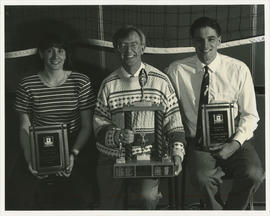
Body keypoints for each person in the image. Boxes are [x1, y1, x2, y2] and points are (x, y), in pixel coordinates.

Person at [167, 16, 264, 210]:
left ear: (219, 40)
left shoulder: (238, 69)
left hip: (235, 139)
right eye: (199, 40)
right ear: (192, 42)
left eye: (211, 39)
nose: (205, 45)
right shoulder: (176, 71)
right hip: (198, 142)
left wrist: (234, 144)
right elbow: (168, 108)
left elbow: (250, 115)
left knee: (254, 174)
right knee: (202, 179)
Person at [93, 25, 186, 210]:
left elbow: (175, 123)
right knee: (109, 203)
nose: (129, 50)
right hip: (114, 157)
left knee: (148, 197)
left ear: (143, 48)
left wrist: (177, 153)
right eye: (123, 45)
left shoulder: (160, 80)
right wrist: (117, 135)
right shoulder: (109, 84)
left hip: (149, 155)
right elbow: (99, 124)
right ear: (116, 48)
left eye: (134, 45)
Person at [13, 34, 96, 209]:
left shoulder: (80, 81)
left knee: (84, 197)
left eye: (60, 51)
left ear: (66, 54)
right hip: (38, 144)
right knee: (19, 197)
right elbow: (24, 126)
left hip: (74, 143)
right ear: (41, 54)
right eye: (49, 51)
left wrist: (72, 154)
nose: (55, 56)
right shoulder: (27, 84)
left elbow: (87, 126)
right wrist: (30, 158)